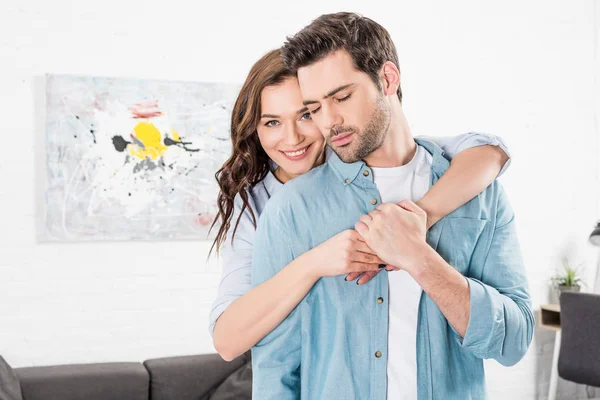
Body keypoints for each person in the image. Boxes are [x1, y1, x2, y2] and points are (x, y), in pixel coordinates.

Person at [250, 12, 533, 400]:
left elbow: (514, 342)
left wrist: (420, 259)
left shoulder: (478, 193)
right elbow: (276, 365)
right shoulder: (293, 210)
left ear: (388, 79)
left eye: (342, 97)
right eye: (314, 107)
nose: (329, 121)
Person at [208, 50, 510, 364]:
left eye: (307, 114)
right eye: (272, 122)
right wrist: (314, 263)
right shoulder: (254, 206)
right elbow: (228, 341)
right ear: (255, 130)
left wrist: (418, 217)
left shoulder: (371, 161)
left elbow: (489, 153)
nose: (292, 138)